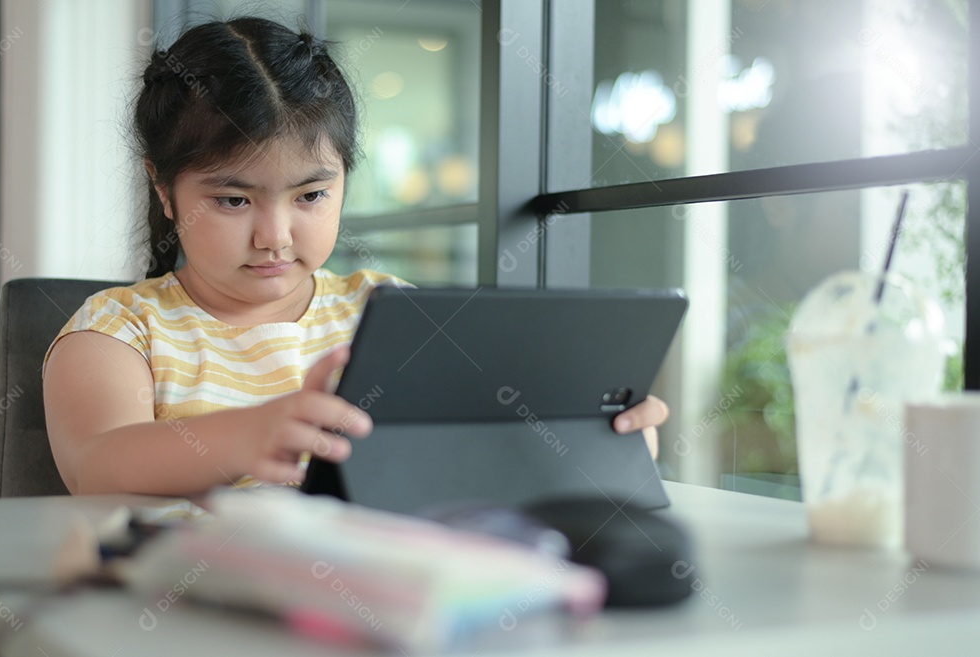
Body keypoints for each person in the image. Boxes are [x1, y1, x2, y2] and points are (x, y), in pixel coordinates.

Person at [43, 16, 669, 497]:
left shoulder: (389, 310)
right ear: (163, 189)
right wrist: (249, 435)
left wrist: (591, 441)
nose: (275, 236)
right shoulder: (120, 329)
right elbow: (96, 466)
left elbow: (474, 450)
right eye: (234, 200)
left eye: (311, 195)